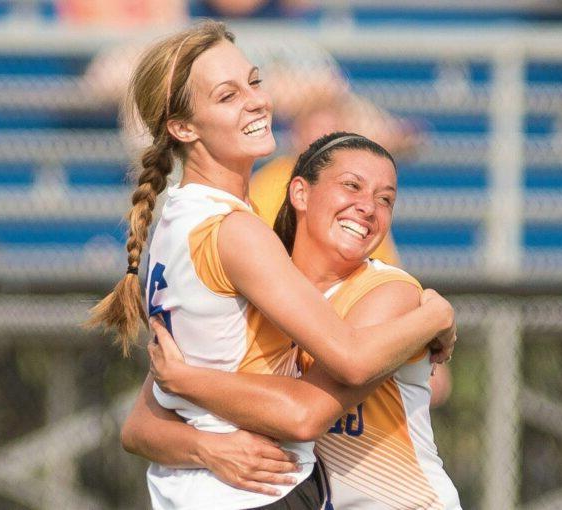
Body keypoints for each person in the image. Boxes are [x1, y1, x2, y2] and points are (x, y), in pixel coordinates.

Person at [85, 21, 455, 509]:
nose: (256, 101)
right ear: (182, 127)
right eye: (227, 95)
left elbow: (143, 424)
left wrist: (199, 434)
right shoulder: (236, 232)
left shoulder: (178, 218)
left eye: (255, 82)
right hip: (256, 491)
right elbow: (347, 362)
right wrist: (438, 316)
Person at [125, 132, 461, 509]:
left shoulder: (388, 291)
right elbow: (140, 428)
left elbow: (304, 416)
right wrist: (208, 447)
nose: (368, 207)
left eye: (385, 199)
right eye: (352, 186)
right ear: (300, 193)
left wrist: (186, 380)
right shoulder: (260, 287)